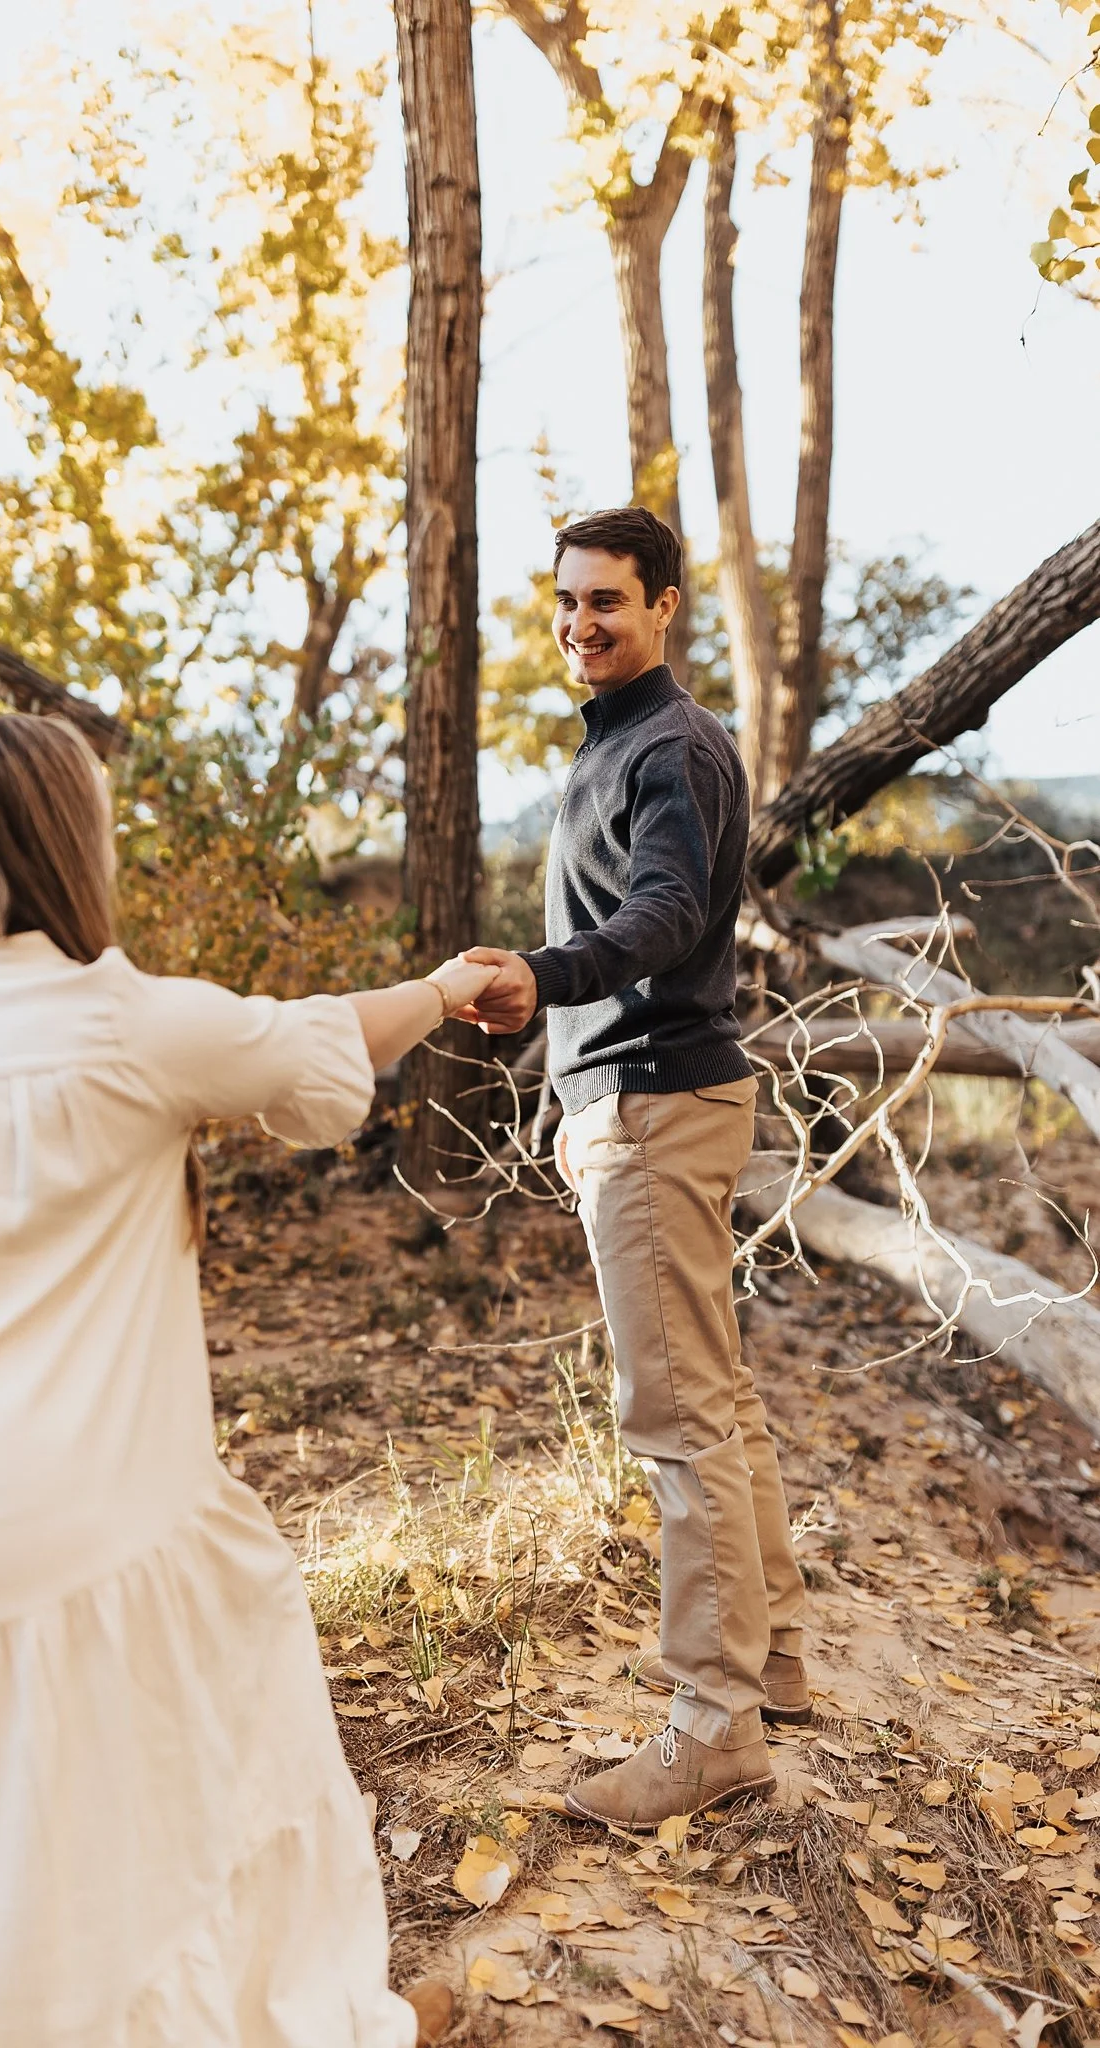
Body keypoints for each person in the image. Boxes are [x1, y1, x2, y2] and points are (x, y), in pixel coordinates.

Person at [0, 712, 494, 2048]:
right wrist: (438, 992)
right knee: (227, 1613)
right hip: (35, 1552)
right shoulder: (122, 1021)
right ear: (70, 849)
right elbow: (322, 1054)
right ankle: (300, 2019)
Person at [459, 506, 809, 1828]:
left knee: (676, 1418)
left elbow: (661, 914)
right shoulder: (628, 743)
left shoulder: (669, 745)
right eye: (567, 600)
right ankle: (771, 1660)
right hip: (646, 1094)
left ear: (666, 604)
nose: (580, 622)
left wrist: (542, 983)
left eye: (608, 600)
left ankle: (713, 1724)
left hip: (661, 1107)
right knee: (718, 1392)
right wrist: (565, 1068)